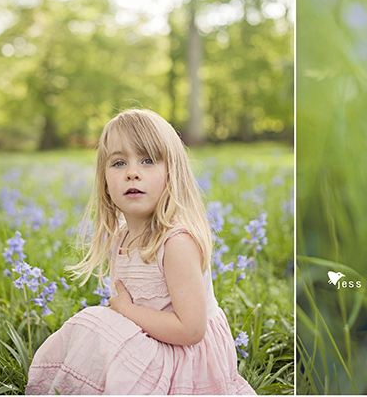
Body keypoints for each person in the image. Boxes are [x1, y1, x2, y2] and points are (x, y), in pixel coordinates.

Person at [26, 109, 256, 395]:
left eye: (147, 161)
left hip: (186, 363)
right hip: (151, 342)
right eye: (119, 163)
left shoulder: (176, 243)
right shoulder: (121, 237)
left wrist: (126, 311)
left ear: (172, 175)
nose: (132, 172)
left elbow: (191, 330)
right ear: (105, 183)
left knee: (96, 323)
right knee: (90, 327)